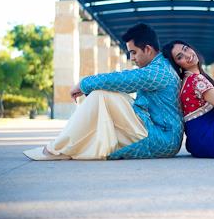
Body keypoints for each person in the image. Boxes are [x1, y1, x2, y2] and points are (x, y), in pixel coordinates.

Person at [23, 23, 183, 160]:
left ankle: (57, 148)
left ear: (148, 49)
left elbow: (125, 80)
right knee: (103, 95)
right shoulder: (159, 67)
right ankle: (62, 147)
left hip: (163, 138)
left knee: (102, 94)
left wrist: (83, 83)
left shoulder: (158, 71)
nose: (131, 58)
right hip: (158, 131)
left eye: (133, 52)